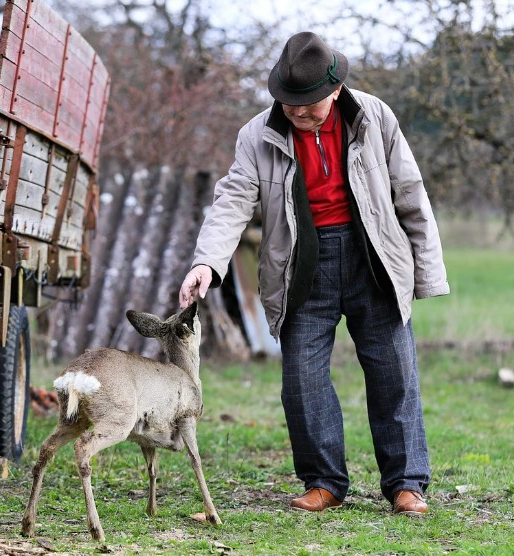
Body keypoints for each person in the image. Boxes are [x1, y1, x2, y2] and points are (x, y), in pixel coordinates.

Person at [178, 31, 449, 515]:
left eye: (310, 105)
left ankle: (407, 484)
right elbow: (233, 201)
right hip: (301, 265)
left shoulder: (375, 116)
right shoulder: (256, 135)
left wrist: (426, 273)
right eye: (290, 104)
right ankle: (323, 481)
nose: (299, 113)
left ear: (336, 91)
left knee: (395, 375)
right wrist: (207, 262)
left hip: (373, 259)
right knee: (301, 379)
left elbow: (411, 193)